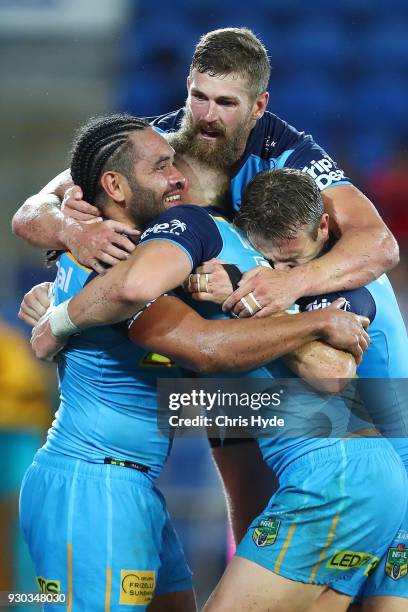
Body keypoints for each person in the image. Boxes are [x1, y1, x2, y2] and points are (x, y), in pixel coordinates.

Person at [12, 26, 401, 560]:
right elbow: (31, 213)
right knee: (208, 407)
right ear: (186, 87)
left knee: (349, 440)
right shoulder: (150, 148)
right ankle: (261, 557)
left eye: (226, 103)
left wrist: (289, 282)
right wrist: (71, 234)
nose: (207, 115)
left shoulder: (286, 151)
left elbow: (379, 244)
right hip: (239, 356)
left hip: (325, 343)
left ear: (258, 105)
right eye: (198, 96)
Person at [19, 114, 370, 612]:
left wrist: (54, 311)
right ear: (115, 186)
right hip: (90, 484)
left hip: (134, 485)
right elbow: (206, 346)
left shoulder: (147, 253)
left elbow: (192, 385)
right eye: (162, 166)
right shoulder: (107, 259)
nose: (177, 176)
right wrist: (315, 324)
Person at [228, 167, 408, 612]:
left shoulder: (350, 283)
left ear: (324, 227)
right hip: (371, 477)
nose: (283, 274)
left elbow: (331, 374)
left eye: (295, 261)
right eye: (274, 263)